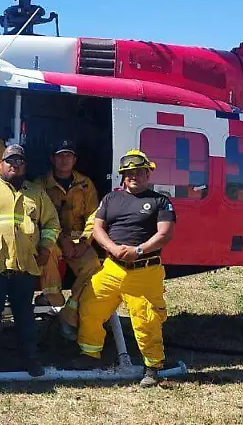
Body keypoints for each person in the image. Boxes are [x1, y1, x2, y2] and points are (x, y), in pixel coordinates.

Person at [71, 149, 177, 387]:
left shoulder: (160, 201)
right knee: (90, 307)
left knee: (145, 318)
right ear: (122, 176)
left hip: (144, 270)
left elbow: (164, 234)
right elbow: (97, 228)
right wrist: (113, 248)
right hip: (112, 267)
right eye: (129, 173)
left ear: (148, 173)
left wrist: (137, 251)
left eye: (139, 172)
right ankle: (90, 354)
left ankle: (152, 367)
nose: (134, 176)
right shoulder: (111, 199)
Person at [0, 144, 60, 377]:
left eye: (19, 162)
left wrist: (46, 247)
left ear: (25, 166)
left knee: (25, 316)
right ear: (0, 165)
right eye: (10, 161)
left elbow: (52, 223)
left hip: (25, 266)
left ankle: (30, 359)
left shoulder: (36, 192)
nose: (14, 166)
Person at [34, 139, 101, 340]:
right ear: (52, 159)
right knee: (48, 253)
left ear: (75, 159)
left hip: (79, 239)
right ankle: (54, 299)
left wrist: (85, 241)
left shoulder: (85, 184)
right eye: (60, 155)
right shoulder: (40, 185)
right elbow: (39, 217)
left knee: (93, 266)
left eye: (69, 155)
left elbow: (93, 215)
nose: (65, 160)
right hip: (51, 236)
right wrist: (61, 239)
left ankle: (69, 314)